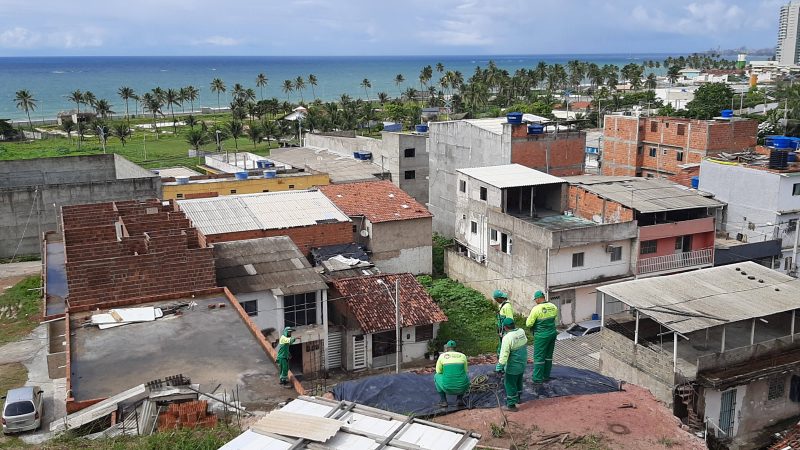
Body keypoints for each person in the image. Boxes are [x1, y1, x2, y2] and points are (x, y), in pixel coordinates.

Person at [525, 290, 558, 384]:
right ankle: (546, 376)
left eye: (535, 299)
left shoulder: (536, 309)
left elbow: (529, 324)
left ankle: (537, 379)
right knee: (548, 356)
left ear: (539, 298)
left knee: (539, 357)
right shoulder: (553, 306)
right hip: (552, 334)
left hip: (541, 336)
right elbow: (555, 320)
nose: (535, 301)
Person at [495, 318, 528, 411]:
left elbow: (503, 356)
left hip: (513, 366)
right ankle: (519, 398)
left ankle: (511, 405)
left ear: (505, 327)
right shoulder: (521, 331)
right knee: (519, 381)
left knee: (509, 384)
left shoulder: (507, 338)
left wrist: (499, 367)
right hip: (522, 363)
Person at [434, 340, 470, 408]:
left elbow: (438, 371)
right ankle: (459, 399)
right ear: (455, 348)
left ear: (446, 348)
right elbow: (465, 371)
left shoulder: (442, 356)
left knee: (436, 376)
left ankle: (443, 401)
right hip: (462, 388)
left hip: (447, 388)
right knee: (465, 376)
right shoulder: (463, 356)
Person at [493, 290, 514, 357]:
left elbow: (510, 320)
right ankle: (500, 357)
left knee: (505, 345)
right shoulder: (502, 305)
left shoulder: (507, 307)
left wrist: (506, 331)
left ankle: (502, 359)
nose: (496, 301)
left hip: (505, 330)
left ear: (499, 298)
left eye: (496, 299)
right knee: (501, 344)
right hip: (501, 329)